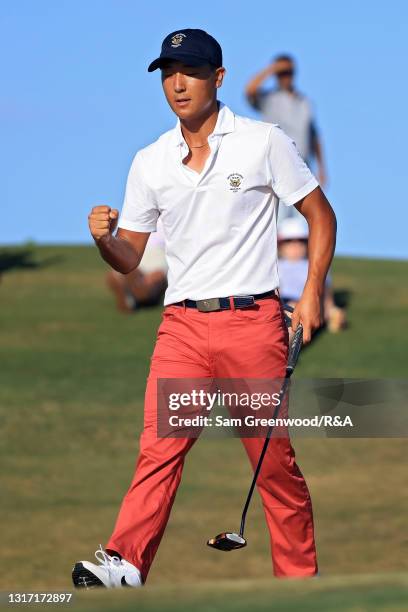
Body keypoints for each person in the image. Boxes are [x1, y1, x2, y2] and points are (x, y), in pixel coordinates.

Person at [72, 28, 336, 589]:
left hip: (253, 323)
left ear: (217, 77)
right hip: (182, 328)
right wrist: (105, 240)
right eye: (168, 73)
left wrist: (311, 289)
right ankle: (125, 563)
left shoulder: (263, 141)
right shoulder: (150, 161)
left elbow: (320, 214)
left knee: (273, 466)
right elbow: (131, 258)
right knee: (159, 450)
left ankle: (299, 584)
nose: (177, 84)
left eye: (188, 71)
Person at [246, 54, 327, 221]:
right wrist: (272, 69)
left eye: (288, 72)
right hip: (277, 165)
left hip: (303, 165)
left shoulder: (304, 102)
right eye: (281, 73)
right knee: (278, 218)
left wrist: (322, 167)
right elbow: (250, 91)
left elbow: (314, 135)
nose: (285, 77)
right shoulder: (269, 99)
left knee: (301, 222)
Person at [278, 217, 346, 336]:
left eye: (300, 240)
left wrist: (331, 311)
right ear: (280, 244)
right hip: (277, 303)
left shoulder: (315, 266)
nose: (295, 245)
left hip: (302, 305)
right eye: (289, 241)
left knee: (292, 312)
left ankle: (283, 350)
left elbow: (325, 294)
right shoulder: (274, 265)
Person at [106, 218, 167, 312]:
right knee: (133, 273)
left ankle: (134, 293)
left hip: (157, 251)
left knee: (154, 277)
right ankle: (135, 292)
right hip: (141, 249)